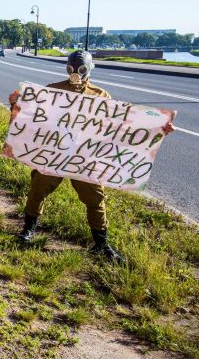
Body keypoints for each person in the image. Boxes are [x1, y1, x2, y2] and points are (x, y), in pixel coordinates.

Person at [9, 50, 175, 262]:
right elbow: (31, 117)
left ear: (90, 69)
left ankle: (101, 243)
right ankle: (28, 229)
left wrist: (157, 128)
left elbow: (118, 126)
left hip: (86, 158)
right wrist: (16, 103)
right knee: (38, 190)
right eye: (72, 68)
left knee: (96, 199)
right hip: (54, 153)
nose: (76, 72)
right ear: (67, 67)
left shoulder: (101, 95)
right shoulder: (53, 91)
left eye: (81, 68)